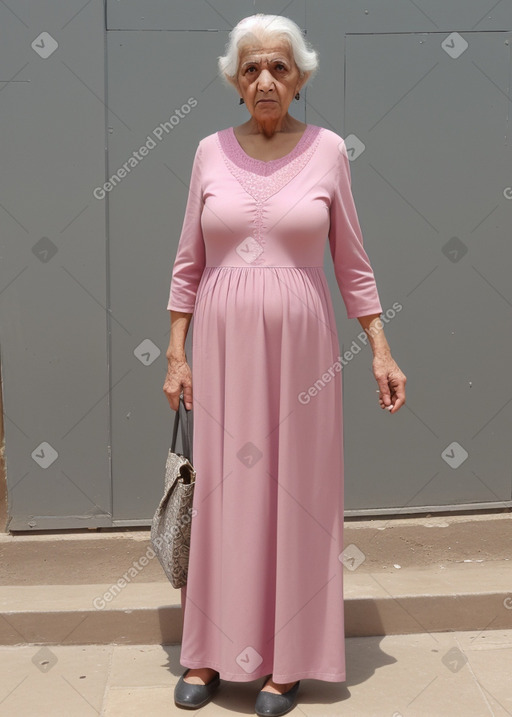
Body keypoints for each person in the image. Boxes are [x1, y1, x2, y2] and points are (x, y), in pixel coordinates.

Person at [163, 13, 406, 717]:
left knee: (296, 495)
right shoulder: (208, 151)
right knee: (225, 499)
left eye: (278, 67)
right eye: (250, 69)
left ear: (300, 76)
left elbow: (352, 263)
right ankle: (206, 653)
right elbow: (188, 261)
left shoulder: (330, 151)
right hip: (221, 350)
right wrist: (176, 352)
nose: (265, 79)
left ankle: (287, 661)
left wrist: (381, 349)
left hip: (304, 356)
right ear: (235, 81)